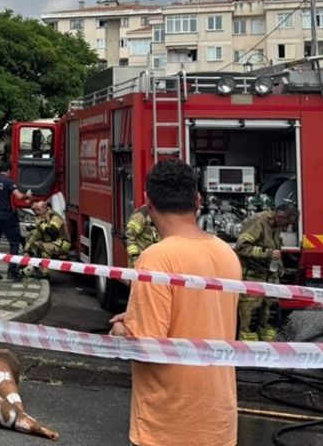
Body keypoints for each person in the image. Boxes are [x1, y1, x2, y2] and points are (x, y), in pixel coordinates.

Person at [110, 159, 241, 446]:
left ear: (148, 202)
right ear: (198, 200)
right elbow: (202, 316)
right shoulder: (226, 254)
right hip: (219, 424)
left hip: (168, 427)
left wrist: (121, 329)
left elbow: (147, 347)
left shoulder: (156, 258)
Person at [233, 202, 297, 341]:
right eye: (286, 224)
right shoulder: (258, 222)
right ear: (280, 216)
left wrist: (279, 267)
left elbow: (276, 247)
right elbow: (241, 247)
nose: (286, 228)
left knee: (272, 316)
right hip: (253, 277)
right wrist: (267, 253)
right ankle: (249, 354)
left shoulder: (276, 225)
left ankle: (268, 350)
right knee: (251, 319)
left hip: (271, 278)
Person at [23, 198, 71, 278]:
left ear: (45, 208)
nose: (37, 212)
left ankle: (44, 273)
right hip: (53, 241)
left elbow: (52, 232)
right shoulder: (43, 216)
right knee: (36, 242)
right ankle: (40, 270)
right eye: (35, 210)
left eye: (38, 210)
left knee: (43, 247)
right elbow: (36, 234)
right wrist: (27, 249)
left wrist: (41, 223)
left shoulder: (54, 216)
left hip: (62, 243)